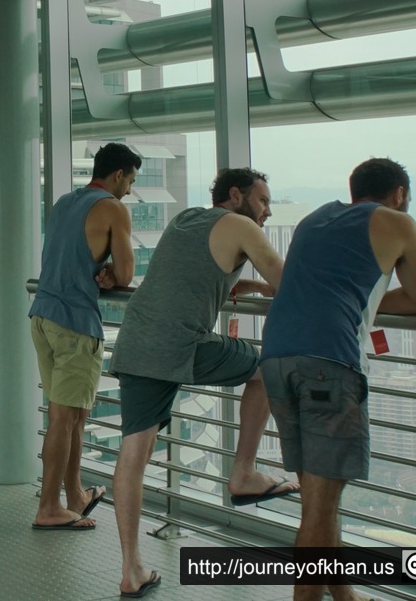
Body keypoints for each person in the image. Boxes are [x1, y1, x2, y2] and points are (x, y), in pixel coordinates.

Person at [260, 158, 416, 601]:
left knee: (318, 498)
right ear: (399, 193)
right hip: (329, 363)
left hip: (277, 359)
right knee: (320, 505)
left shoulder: (314, 218)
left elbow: (321, 287)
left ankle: (344, 596)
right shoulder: (398, 223)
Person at [110, 167, 293, 599]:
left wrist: (249, 286)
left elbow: (197, 276)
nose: (267, 210)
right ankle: (244, 473)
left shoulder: (186, 219)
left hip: (137, 340)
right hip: (181, 344)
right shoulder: (242, 225)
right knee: (267, 370)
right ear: (237, 195)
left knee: (134, 451)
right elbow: (287, 280)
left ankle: (131, 569)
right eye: (263, 200)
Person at [28, 142, 140, 531]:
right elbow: (126, 275)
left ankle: (74, 495)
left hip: (43, 314)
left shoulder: (64, 202)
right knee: (63, 418)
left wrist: (103, 266)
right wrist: (112, 269)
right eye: (130, 181)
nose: (128, 190)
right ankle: (48, 507)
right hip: (75, 322)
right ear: (118, 174)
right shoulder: (112, 207)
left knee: (75, 414)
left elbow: (70, 255)